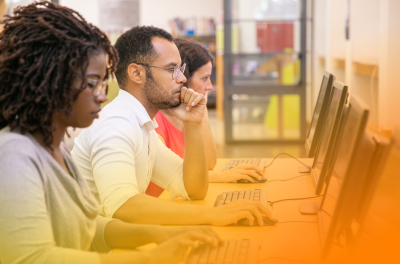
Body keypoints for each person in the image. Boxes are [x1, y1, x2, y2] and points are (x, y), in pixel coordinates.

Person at [0, 2, 222, 264]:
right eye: (93, 83)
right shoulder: (16, 153)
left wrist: (159, 235)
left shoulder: (56, 147)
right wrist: (150, 256)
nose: (102, 95)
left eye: (103, 82)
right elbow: (33, 258)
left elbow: (88, 227)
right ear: (52, 81)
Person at [71, 25, 276, 226]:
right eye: (172, 69)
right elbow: (123, 206)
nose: (182, 78)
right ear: (137, 74)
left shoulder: (143, 126)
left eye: (180, 69)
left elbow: (193, 188)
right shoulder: (116, 124)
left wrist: (193, 124)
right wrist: (213, 215)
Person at [145, 38, 265, 198]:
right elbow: (175, 178)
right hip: (163, 206)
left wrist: (202, 111)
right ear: (183, 79)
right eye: (204, 78)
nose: (209, 86)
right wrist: (223, 176)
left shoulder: (183, 117)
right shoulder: (156, 121)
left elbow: (209, 163)